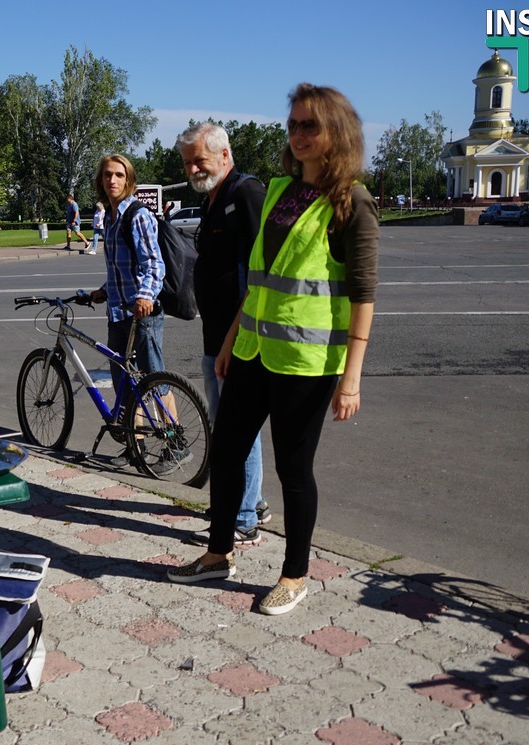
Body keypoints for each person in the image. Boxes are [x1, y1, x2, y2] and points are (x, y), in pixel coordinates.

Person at [168, 84, 379, 618]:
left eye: (311, 125)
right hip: (254, 350)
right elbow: (260, 275)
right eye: (294, 125)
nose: (300, 135)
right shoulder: (282, 188)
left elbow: (364, 294)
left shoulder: (352, 201)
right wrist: (234, 336)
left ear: (337, 131)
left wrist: (351, 378)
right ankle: (219, 553)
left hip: (307, 364)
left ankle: (295, 575)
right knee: (228, 449)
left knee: (293, 469)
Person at [175, 122, 271, 545]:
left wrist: (232, 343)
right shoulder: (215, 198)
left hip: (239, 342)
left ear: (225, 155)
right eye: (188, 161)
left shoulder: (245, 194)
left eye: (200, 159)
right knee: (228, 427)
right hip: (215, 339)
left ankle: (243, 517)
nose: (193, 167)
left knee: (237, 430)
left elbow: (260, 276)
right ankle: (252, 500)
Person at [87, 154, 167, 465]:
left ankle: (176, 444)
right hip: (118, 313)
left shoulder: (138, 215)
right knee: (125, 383)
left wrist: (145, 297)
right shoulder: (109, 217)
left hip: (143, 314)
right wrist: (103, 291)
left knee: (154, 379)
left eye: (119, 175)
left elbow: (153, 265)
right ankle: (136, 449)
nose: (113, 180)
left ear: (129, 179)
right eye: (107, 175)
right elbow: (122, 269)